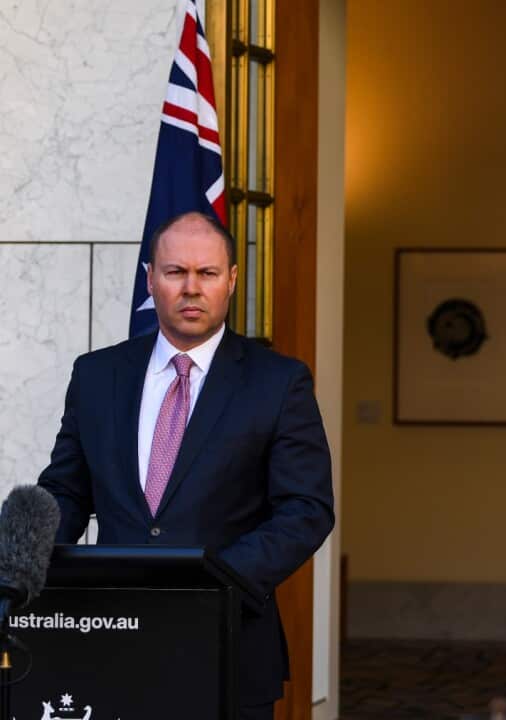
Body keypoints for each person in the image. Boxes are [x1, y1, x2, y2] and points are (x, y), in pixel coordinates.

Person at [37, 211, 336, 719]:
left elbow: (306, 509)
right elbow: (65, 492)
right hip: (108, 641)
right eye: (176, 272)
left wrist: (214, 582)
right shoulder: (96, 374)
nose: (191, 288)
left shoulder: (278, 382)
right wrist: (27, 564)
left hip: (230, 642)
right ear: (150, 278)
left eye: (208, 273)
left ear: (233, 280)